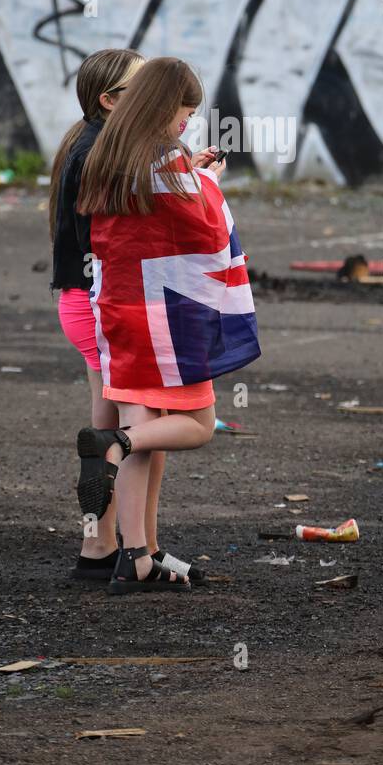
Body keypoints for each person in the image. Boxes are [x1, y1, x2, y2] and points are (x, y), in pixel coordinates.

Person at [75, 56, 260, 593]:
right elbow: (202, 225)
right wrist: (206, 180)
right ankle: (112, 445)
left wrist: (191, 173)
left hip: (120, 313)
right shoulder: (164, 160)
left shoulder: (110, 152)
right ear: (162, 105)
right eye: (185, 110)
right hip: (168, 321)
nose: (188, 121)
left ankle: (136, 557)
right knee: (195, 426)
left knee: (144, 436)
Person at [50, 48, 211, 584]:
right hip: (104, 302)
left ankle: (100, 550)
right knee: (139, 430)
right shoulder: (107, 150)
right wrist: (192, 186)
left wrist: (184, 173)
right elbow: (133, 228)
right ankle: (137, 554)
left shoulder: (90, 143)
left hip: (86, 300)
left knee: (121, 428)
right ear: (111, 100)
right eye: (141, 91)